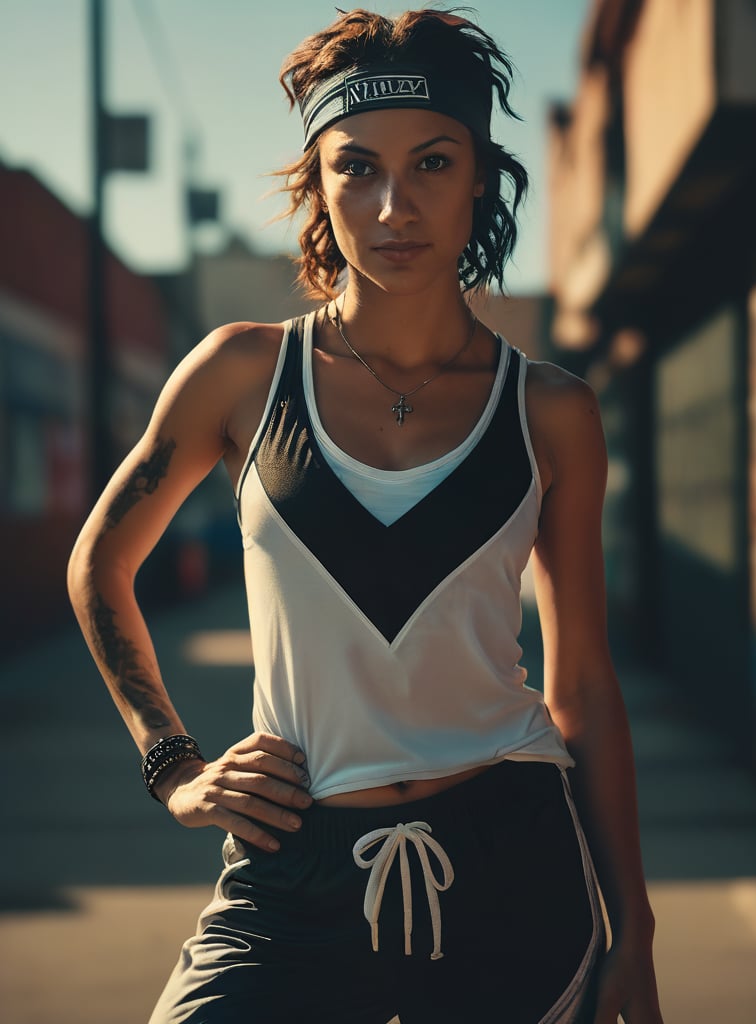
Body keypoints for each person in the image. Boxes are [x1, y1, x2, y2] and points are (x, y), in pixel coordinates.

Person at [67, 9, 664, 1023]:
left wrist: (635, 936)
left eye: (432, 163)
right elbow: (100, 565)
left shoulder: (551, 410)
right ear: (318, 184)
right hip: (291, 870)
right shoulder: (241, 375)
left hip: (511, 860)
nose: (395, 205)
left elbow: (583, 689)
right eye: (357, 168)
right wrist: (174, 765)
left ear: (481, 175)